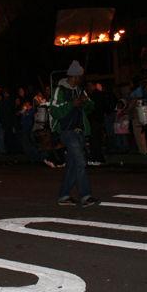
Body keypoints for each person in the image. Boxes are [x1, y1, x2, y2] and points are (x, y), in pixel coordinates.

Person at [50, 60, 99, 207]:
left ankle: (64, 195)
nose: (82, 80)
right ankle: (86, 196)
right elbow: (54, 111)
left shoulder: (80, 90)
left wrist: (85, 102)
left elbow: (91, 108)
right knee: (80, 162)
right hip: (67, 133)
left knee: (72, 166)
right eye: (80, 77)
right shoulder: (60, 91)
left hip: (79, 133)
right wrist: (71, 104)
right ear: (75, 76)